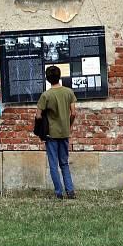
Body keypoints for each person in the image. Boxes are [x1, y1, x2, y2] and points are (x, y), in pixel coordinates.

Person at [36, 65, 77, 200]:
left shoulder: (46, 95)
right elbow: (74, 113)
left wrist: (40, 128)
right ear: (59, 76)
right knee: (64, 162)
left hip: (51, 134)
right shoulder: (69, 92)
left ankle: (59, 192)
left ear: (47, 79)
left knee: (53, 164)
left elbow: (38, 115)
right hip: (64, 132)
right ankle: (70, 191)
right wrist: (69, 125)